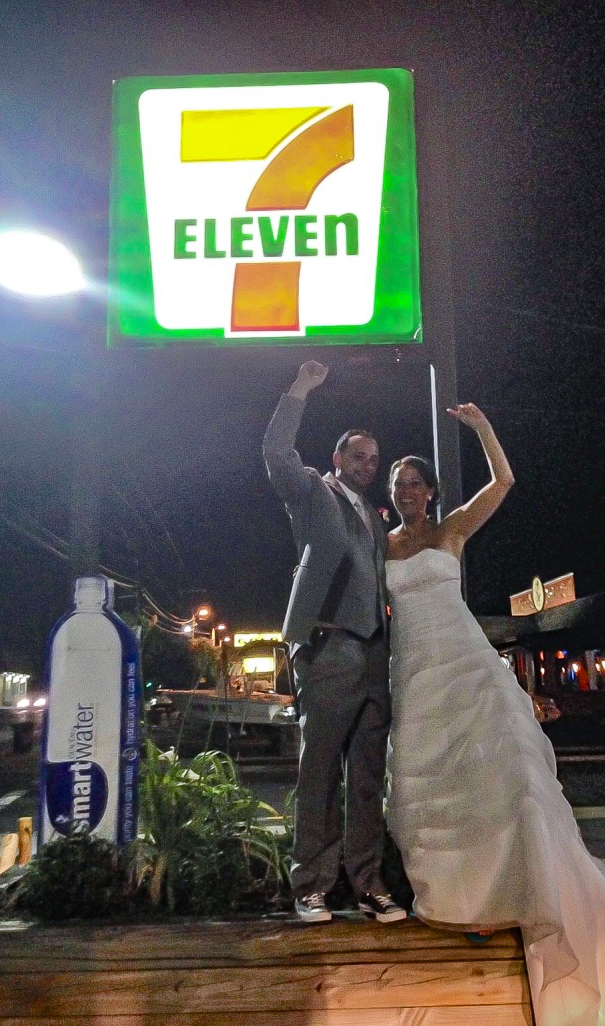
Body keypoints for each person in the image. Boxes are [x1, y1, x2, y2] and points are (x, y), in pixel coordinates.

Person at [385, 403, 605, 1026]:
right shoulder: (381, 544)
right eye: (398, 485)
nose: (407, 491)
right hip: (414, 671)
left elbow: (505, 483)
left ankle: (508, 893)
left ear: (431, 491)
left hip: (464, 657)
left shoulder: (453, 530)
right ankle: (451, 895)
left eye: (414, 482)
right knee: (428, 782)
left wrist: (481, 428)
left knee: (502, 773)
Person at [263, 360, 406, 925]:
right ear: (337, 460)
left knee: (368, 776)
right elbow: (276, 453)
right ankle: (312, 886)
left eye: (374, 459)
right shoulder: (314, 493)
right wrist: (299, 387)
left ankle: (367, 883)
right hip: (328, 646)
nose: (367, 465)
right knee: (320, 771)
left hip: (374, 654)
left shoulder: (375, 518)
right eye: (357, 456)